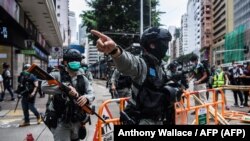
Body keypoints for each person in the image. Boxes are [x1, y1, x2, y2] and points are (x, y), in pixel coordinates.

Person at [91, 27, 182, 125]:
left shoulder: (161, 67)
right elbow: (129, 63)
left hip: (159, 119)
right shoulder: (143, 64)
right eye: (164, 43)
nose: (166, 47)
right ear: (152, 45)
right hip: (142, 121)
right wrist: (115, 51)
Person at [41, 48, 94, 141]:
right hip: (61, 120)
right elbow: (44, 87)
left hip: (77, 120)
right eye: (72, 61)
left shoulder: (83, 78)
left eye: (77, 61)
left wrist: (86, 98)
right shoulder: (56, 75)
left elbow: (91, 93)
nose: (75, 62)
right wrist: (64, 89)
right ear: (65, 62)